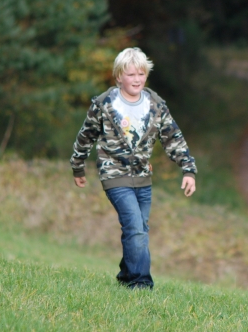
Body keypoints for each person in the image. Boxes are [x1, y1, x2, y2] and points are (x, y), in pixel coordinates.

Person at [70, 47, 197, 290]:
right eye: (131, 75)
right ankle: (140, 283)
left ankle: (126, 275)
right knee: (135, 228)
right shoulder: (104, 104)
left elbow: (173, 139)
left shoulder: (155, 104)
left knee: (139, 229)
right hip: (114, 175)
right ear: (119, 76)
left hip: (143, 177)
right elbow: (85, 136)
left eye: (141, 74)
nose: (137, 79)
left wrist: (188, 171)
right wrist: (78, 166)